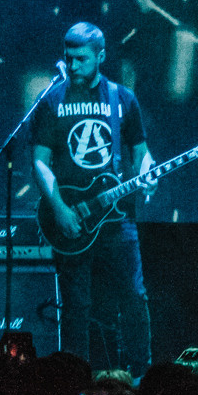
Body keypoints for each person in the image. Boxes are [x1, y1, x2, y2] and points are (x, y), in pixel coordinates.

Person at [32, 21, 154, 373]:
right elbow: (39, 162)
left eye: (81, 59)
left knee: (133, 298)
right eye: (68, 58)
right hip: (70, 215)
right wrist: (59, 210)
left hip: (117, 219)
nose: (72, 66)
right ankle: (74, 378)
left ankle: (140, 377)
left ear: (101, 56)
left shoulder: (122, 99)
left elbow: (141, 153)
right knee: (76, 305)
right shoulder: (51, 100)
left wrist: (149, 171)